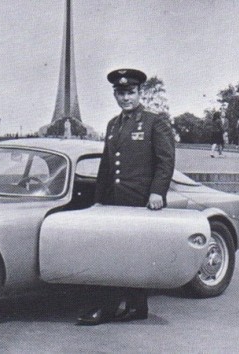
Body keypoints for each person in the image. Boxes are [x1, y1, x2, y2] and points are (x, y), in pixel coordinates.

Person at [76, 68, 175, 326]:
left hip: (140, 200)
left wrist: (157, 192)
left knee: (130, 253)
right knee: (112, 252)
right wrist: (98, 199)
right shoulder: (113, 124)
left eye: (130, 92)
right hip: (112, 201)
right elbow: (107, 166)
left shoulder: (156, 122)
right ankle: (135, 306)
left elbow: (166, 162)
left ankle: (110, 308)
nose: (125, 98)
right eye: (120, 94)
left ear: (140, 92)